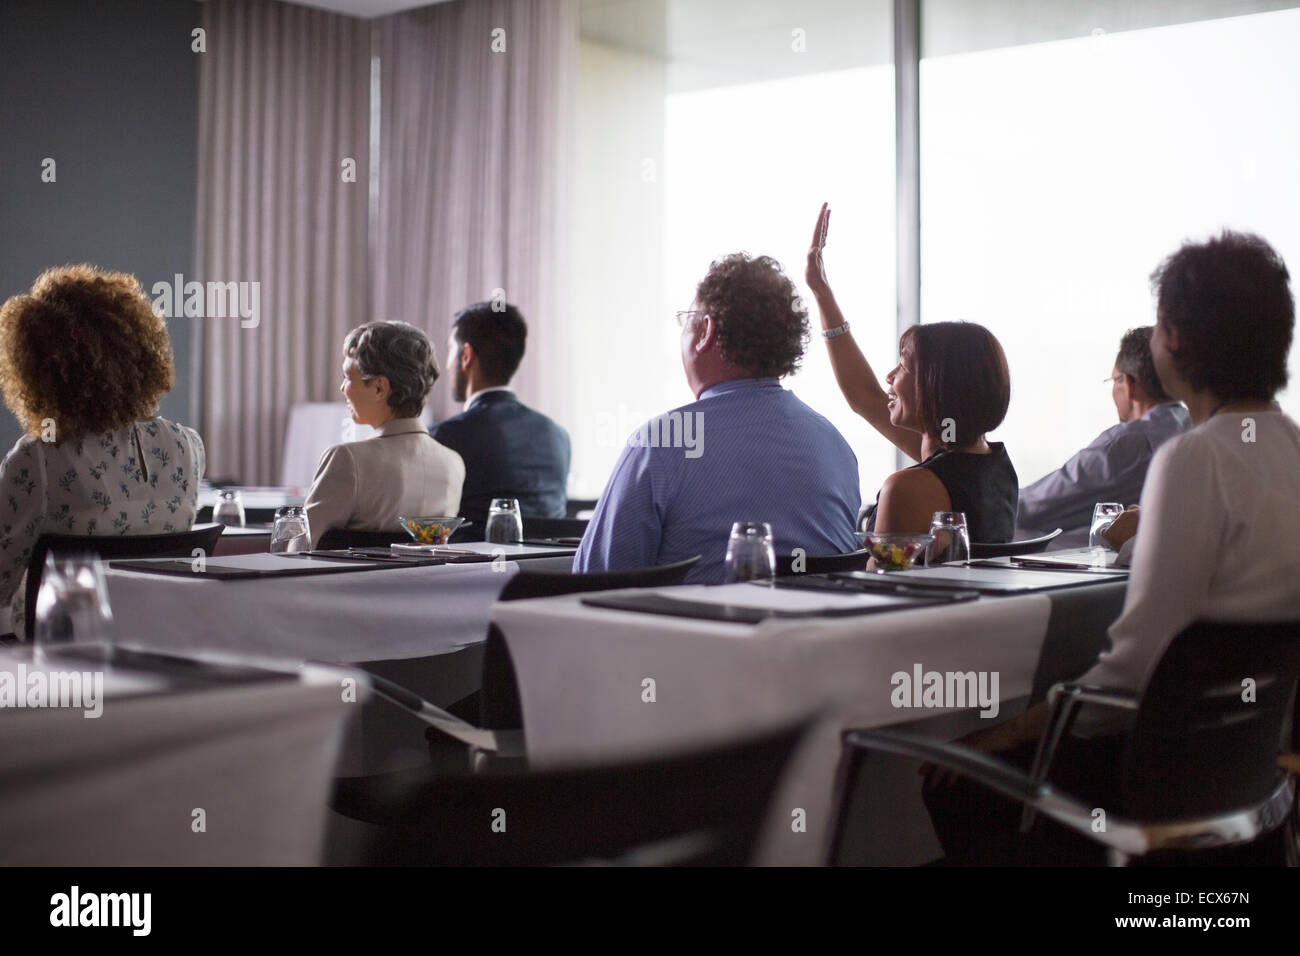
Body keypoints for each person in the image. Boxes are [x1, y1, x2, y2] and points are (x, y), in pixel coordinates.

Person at [923, 230, 1300, 865]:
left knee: (956, 778)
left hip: (1154, 790)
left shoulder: (1195, 458)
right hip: (1246, 787)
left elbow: (1132, 672)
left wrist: (1014, 726)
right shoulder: (1289, 449)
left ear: (1175, 338)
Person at [574, 252, 861, 583]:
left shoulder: (664, 441)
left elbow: (594, 582)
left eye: (686, 320)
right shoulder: (837, 446)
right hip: (819, 632)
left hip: (697, 633)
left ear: (705, 331)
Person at [0, 264, 205, 637]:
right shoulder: (187, 447)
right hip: (162, 648)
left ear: (37, 367)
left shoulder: (39, 459)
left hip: (55, 657)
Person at [806, 204, 1017, 543]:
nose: (890, 376)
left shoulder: (910, 487)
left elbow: (881, 591)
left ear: (938, 387)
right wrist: (822, 293)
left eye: (903, 364)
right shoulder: (990, 465)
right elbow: (865, 398)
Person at [1017, 327, 1190, 547]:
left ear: (1128, 385)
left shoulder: (1127, 443)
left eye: (1113, 380)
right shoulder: (1194, 427)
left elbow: (1034, 507)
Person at [304, 321, 464, 547]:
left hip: (350, 583)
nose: (342, 388)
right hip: (429, 583)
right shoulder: (454, 464)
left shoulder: (347, 460)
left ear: (380, 388)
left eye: (348, 377)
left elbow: (299, 550)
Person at [432, 302, 571, 532]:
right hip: (551, 565)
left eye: (449, 351)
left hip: (475, 566)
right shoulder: (558, 436)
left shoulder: (444, 437)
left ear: (466, 355)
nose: (446, 365)